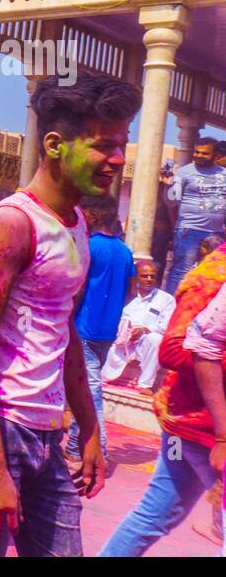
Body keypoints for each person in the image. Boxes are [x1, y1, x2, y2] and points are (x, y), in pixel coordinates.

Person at [0, 73, 140, 557]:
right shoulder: (11, 223)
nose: (117, 159)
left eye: (122, 144)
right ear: (54, 144)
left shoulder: (76, 226)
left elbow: (64, 330)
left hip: (47, 432)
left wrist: (89, 429)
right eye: (102, 146)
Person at [98, 242, 226, 555]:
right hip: (201, 426)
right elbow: (174, 350)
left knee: (155, 515)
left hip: (192, 423)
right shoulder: (212, 277)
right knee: (154, 516)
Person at [66, 193, 134, 460]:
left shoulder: (90, 246)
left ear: (92, 216)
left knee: (90, 392)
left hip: (84, 327)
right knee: (84, 387)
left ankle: (98, 447)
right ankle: (74, 445)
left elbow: (78, 287)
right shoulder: (125, 251)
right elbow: (130, 290)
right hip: (107, 331)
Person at [100, 260, 175, 391]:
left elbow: (167, 325)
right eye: (144, 276)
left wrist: (145, 330)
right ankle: (105, 377)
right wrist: (125, 331)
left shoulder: (166, 299)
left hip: (144, 343)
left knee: (156, 339)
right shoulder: (124, 296)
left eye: (152, 276)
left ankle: (144, 385)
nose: (149, 279)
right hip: (121, 342)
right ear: (136, 278)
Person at [166, 136, 226, 294]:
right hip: (189, 230)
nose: (199, 156)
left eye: (204, 153)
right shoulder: (183, 173)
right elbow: (172, 203)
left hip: (217, 232)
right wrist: (166, 186)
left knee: (211, 273)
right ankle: (172, 309)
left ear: (215, 155)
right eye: (196, 152)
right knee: (181, 272)